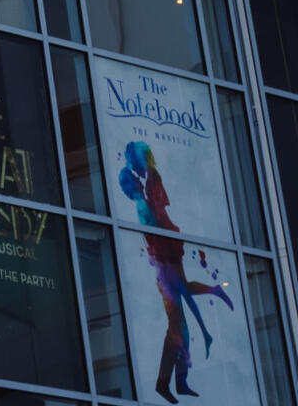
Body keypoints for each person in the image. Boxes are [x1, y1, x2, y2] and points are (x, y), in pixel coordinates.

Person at [117, 141, 233, 401]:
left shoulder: (149, 185)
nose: (134, 171)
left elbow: (160, 221)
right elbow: (154, 233)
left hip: (168, 257)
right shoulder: (144, 199)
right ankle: (168, 382)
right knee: (177, 326)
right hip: (165, 261)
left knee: (179, 325)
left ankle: (173, 381)